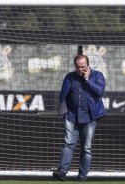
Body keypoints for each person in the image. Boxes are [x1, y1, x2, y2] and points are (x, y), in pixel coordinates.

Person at [53, 54, 106, 182]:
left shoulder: (98, 76)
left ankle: (82, 176)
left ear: (88, 65)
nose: (80, 70)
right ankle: (62, 171)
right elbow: (63, 95)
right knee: (68, 143)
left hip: (90, 118)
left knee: (86, 148)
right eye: (78, 67)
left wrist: (88, 80)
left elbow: (100, 92)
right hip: (71, 117)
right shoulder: (69, 77)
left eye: (83, 67)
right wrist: (63, 112)